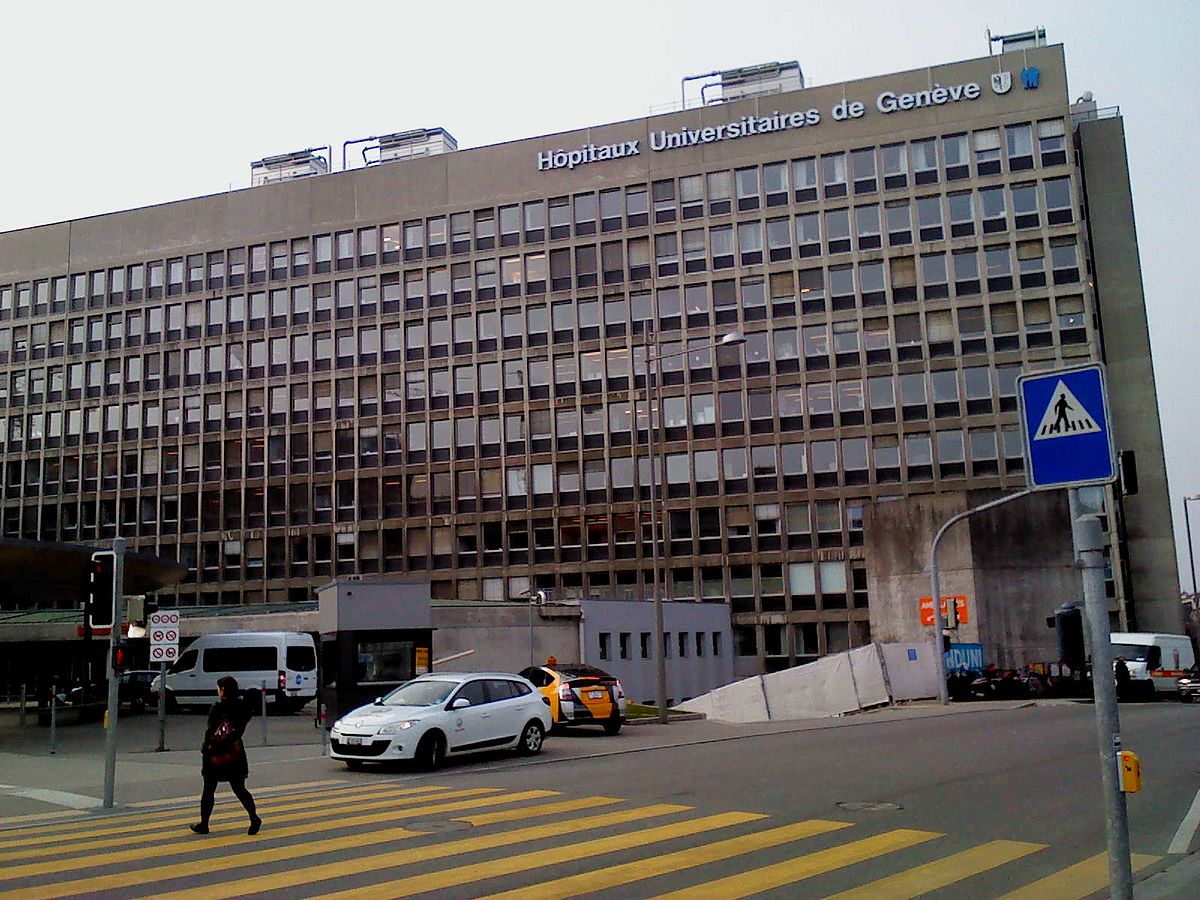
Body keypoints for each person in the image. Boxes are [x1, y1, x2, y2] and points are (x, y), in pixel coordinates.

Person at [190, 675, 261, 835]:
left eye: (218, 689)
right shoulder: (243, 707)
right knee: (239, 788)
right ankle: (254, 817)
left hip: (216, 752)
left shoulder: (218, 708)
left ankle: (204, 824)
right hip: (235, 752)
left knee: (209, 789)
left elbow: (211, 731)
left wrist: (206, 748)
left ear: (223, 690)